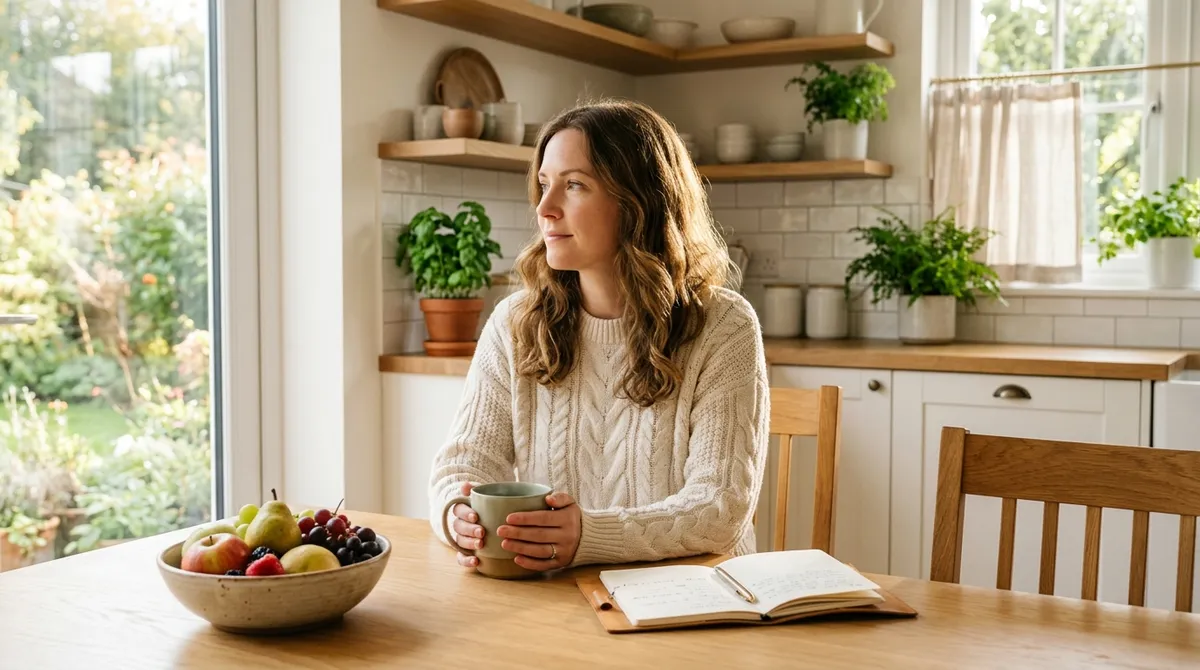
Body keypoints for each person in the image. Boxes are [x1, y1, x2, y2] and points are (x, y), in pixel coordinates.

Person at [427, 98, 770, 572]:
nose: (545, 208)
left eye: (574, 186)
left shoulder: (723, 327)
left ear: (639, 203)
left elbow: (719, 509)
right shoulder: (514, 323)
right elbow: (463, 466)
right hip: (555, 598)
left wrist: (589, 535)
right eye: (544, 185)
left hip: (696, 601)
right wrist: (459, 517)